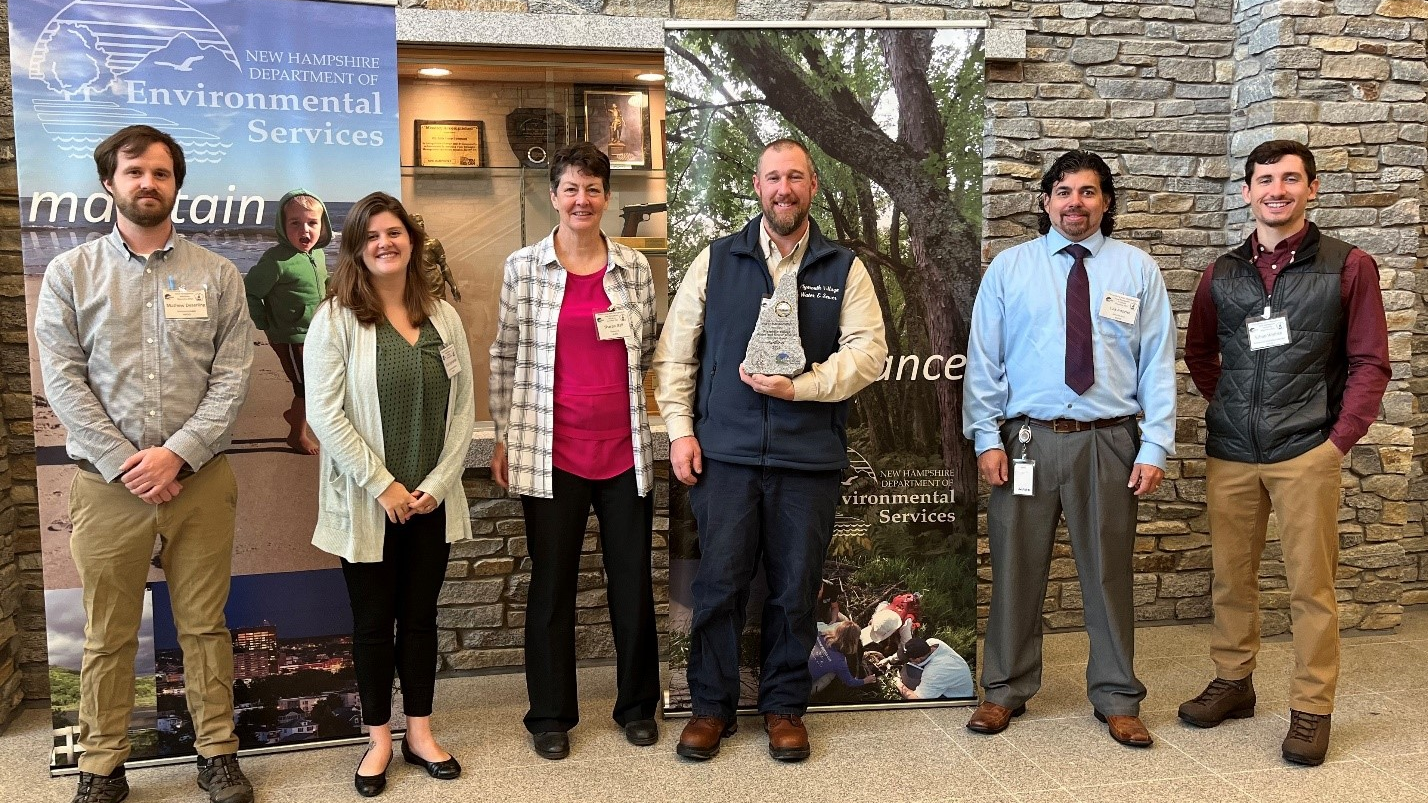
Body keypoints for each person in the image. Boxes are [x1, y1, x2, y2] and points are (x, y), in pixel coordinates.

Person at [35, 124, 255, 803]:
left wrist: (178, 455)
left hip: (201, 480)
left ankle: (216, 752)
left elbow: (234, 375)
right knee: (108, 631)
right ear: (110, 182)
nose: (147, 183)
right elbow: (64, 380)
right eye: (134, 172)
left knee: (204, 624)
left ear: (176, 184)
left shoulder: (217, 275)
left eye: (160, 173)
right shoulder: (70, 274)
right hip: (108, 487)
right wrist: (129, 463)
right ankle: (102, 763)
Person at [654, 138, 887, 762]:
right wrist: (680, 430)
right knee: (720, 586)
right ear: (757, 187)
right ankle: (711, 709)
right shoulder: (717, 260)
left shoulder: (844, 266)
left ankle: (785, 708)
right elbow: (676, 353)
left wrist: (801, 387)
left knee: (793, 589)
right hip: (724, 455)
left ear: (812, 186)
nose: (783, 189)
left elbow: (869, 352)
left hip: (806, 458)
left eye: (795, 178)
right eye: (772, 178)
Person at [1180, 140, 1389, 767]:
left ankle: (1311, 708)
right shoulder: (1221, 273)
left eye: (1290, 179)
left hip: (1307, 452)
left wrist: (1336, 443)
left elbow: (1370, 361)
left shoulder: (1350, 266)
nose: (1277, 190)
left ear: (1312, 188)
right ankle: (1235, 682)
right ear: (1247, 191)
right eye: (1265, 179)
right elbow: (1200, 354)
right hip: (1233, 453)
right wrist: (1237, 403)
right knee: (1231, 579)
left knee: (1310, 588)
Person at [962, 149, 1176, 748]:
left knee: (1108, 574)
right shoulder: (1010, 269)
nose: (1074, 203)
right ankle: (1002, 690)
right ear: (1046, 201)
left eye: (1087, 192)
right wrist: (986, 436)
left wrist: (1154, 445)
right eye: (1063, 191)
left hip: (1109, 441)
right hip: (1025, 439)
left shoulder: (1138, 271)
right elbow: (984, 361)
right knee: (1014, 569)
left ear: (1106, 201)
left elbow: (1157, 364)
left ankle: (1117, 696)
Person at [489, 142, 660, 761]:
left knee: (632, 586)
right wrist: (507, 433)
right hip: (550, 453)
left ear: (606, 198)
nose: (581, 200)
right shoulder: (523, 268)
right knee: (552, 588)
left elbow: (648, 348)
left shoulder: (633, 270)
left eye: (592, 189)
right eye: (570, 189)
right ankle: (551, 715)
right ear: (554, 197)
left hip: (624, 452)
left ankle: (638, 706)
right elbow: (505, 353)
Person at [305, 192, 475, 797]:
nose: (385, 243)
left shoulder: (444, 318)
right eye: (372, 235)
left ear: (412, 241)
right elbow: (324, 414)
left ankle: (420, 732)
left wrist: (432, 486)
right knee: (375, 624)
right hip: (367, 504)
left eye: (395, 232)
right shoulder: (335, 319)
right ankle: (378, 739)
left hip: (429, 503)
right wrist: (384, 486)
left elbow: (463, 413)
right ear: (356, 247)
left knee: (422, 621)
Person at [244, 189, 332, 454]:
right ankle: (296, 434)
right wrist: (265, 324)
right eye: (295, 223)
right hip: (291, 336)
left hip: (317, 332)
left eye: (312, 223)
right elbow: (249, 291)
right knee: (307, 388)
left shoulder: (317, 254)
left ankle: (296, 417)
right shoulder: (276, 260)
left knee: (316, 385)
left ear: (322, 225)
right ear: (283, 227)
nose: (305, 230)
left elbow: (323, 283)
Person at [893, 638, 975, 701]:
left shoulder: (935, 672)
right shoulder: (932, 643)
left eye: (909, 659)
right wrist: (888, 660)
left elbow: (918, 700)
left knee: (909, 673)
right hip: (954, 685)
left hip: (957, 700)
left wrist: (898, 683)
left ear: (917, 659)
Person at [809, 620, 873, 696]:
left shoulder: (820, 633)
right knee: (831, 674)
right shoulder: (839, 662)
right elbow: (850, 682)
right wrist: (866, 680)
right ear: (852, 642)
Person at [410, 213, 462, 301]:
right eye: (417, 222)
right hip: (417, 283)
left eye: (421, 221)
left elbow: (444, 266)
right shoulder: (407, 246)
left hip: (435, 283)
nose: (421, 224)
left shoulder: (433, 243)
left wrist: (453, 285)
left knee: (440, 312)